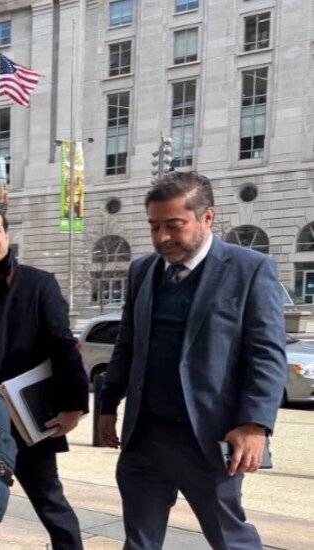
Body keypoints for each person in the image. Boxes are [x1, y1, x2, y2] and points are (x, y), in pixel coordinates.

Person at [98, 172, 287, 549]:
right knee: (139, 542)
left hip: (208, 439)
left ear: (208, 217)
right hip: (144, 439)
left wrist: (255, 424)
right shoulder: (142, 271)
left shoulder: (250, 270)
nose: (162, 238)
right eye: (154, 226)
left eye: (174, 226)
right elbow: (128, 343)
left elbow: (266, 353)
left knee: (230, 540)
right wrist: (108, 404)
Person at [0, 206, 89, 550]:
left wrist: (73, 406)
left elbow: (64, 346)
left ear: (6, 236)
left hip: (26, 420)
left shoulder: (38, 284)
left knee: (50, 503)